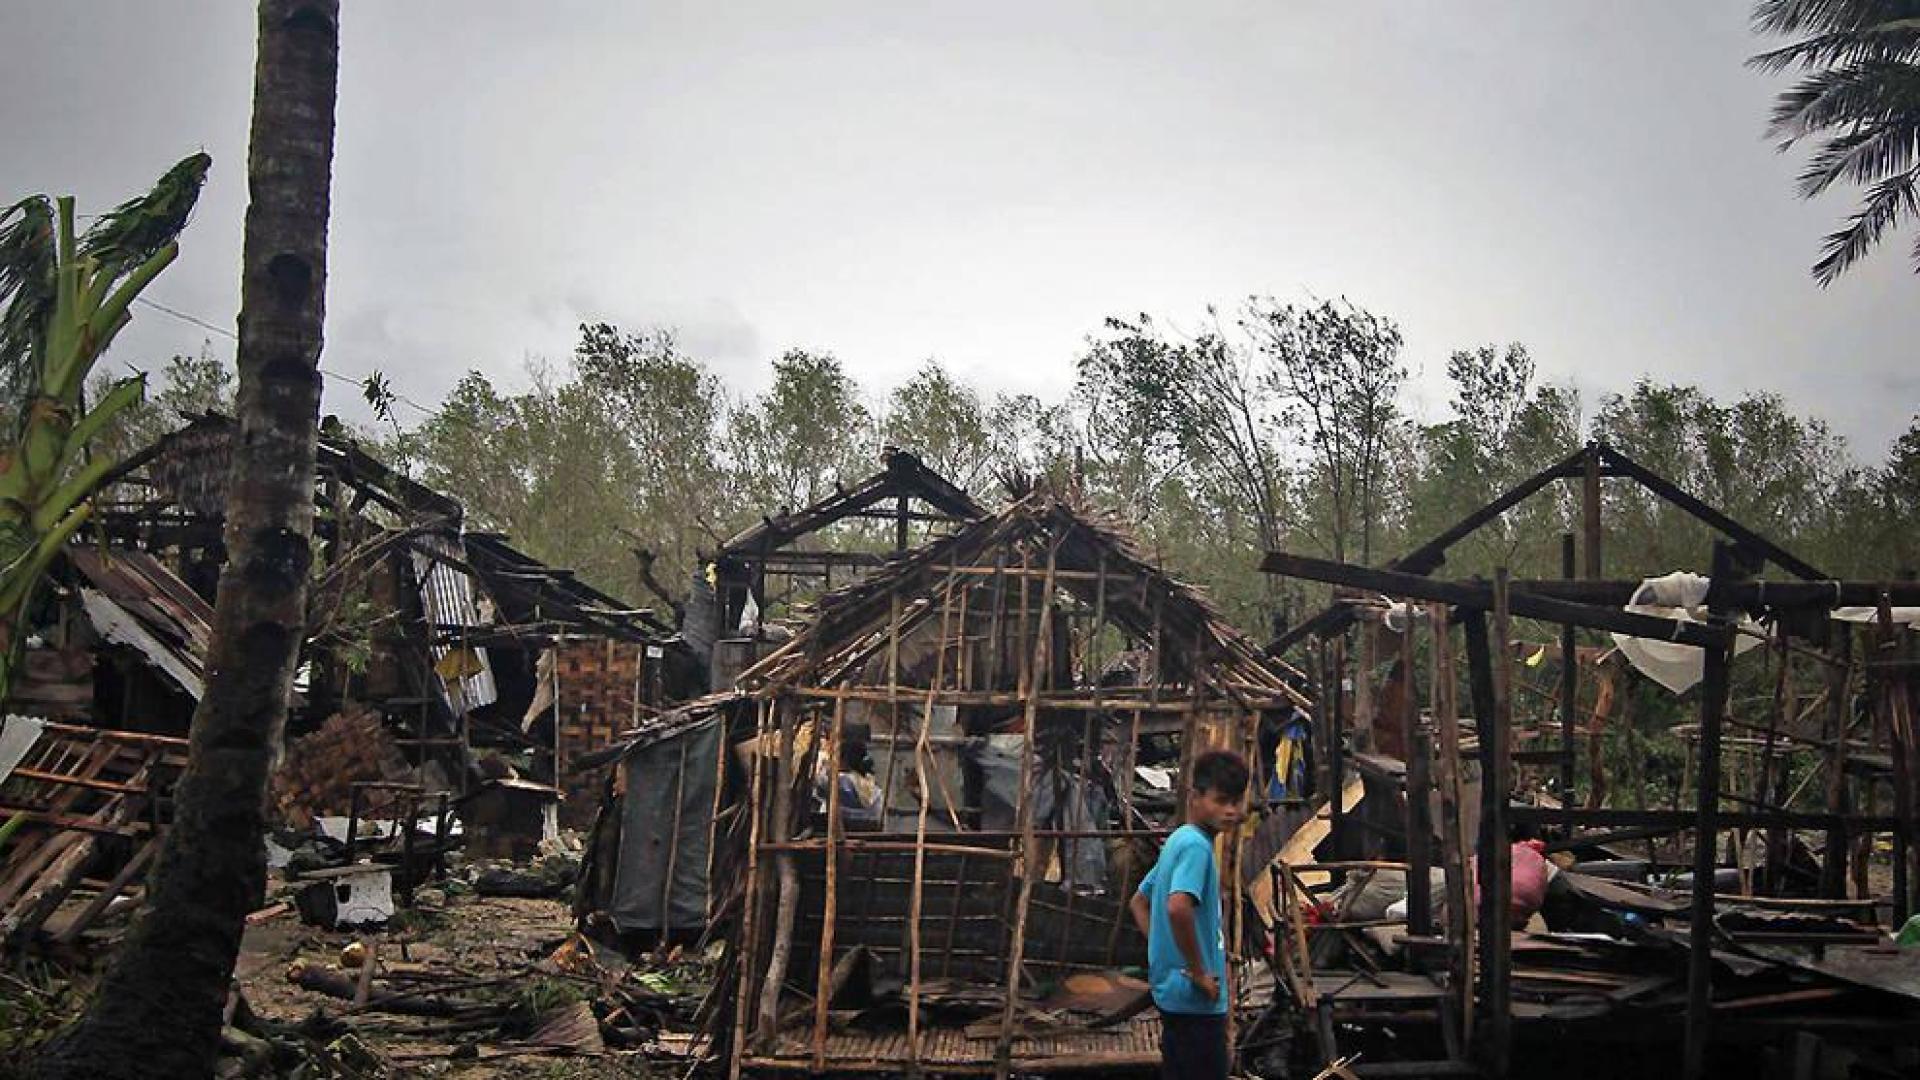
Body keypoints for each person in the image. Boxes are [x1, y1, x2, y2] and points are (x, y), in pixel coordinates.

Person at [1129, 749, 1249, 1080]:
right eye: (1221, 800)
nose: (1231, 811)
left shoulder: (1178, 839)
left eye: (1237, 802)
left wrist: (1163, 952)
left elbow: (1139, 901)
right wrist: (1197, 971)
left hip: (1173, 994)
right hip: (1196, 1002)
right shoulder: (1196, 847)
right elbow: (1178, 906)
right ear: (1195, 796)